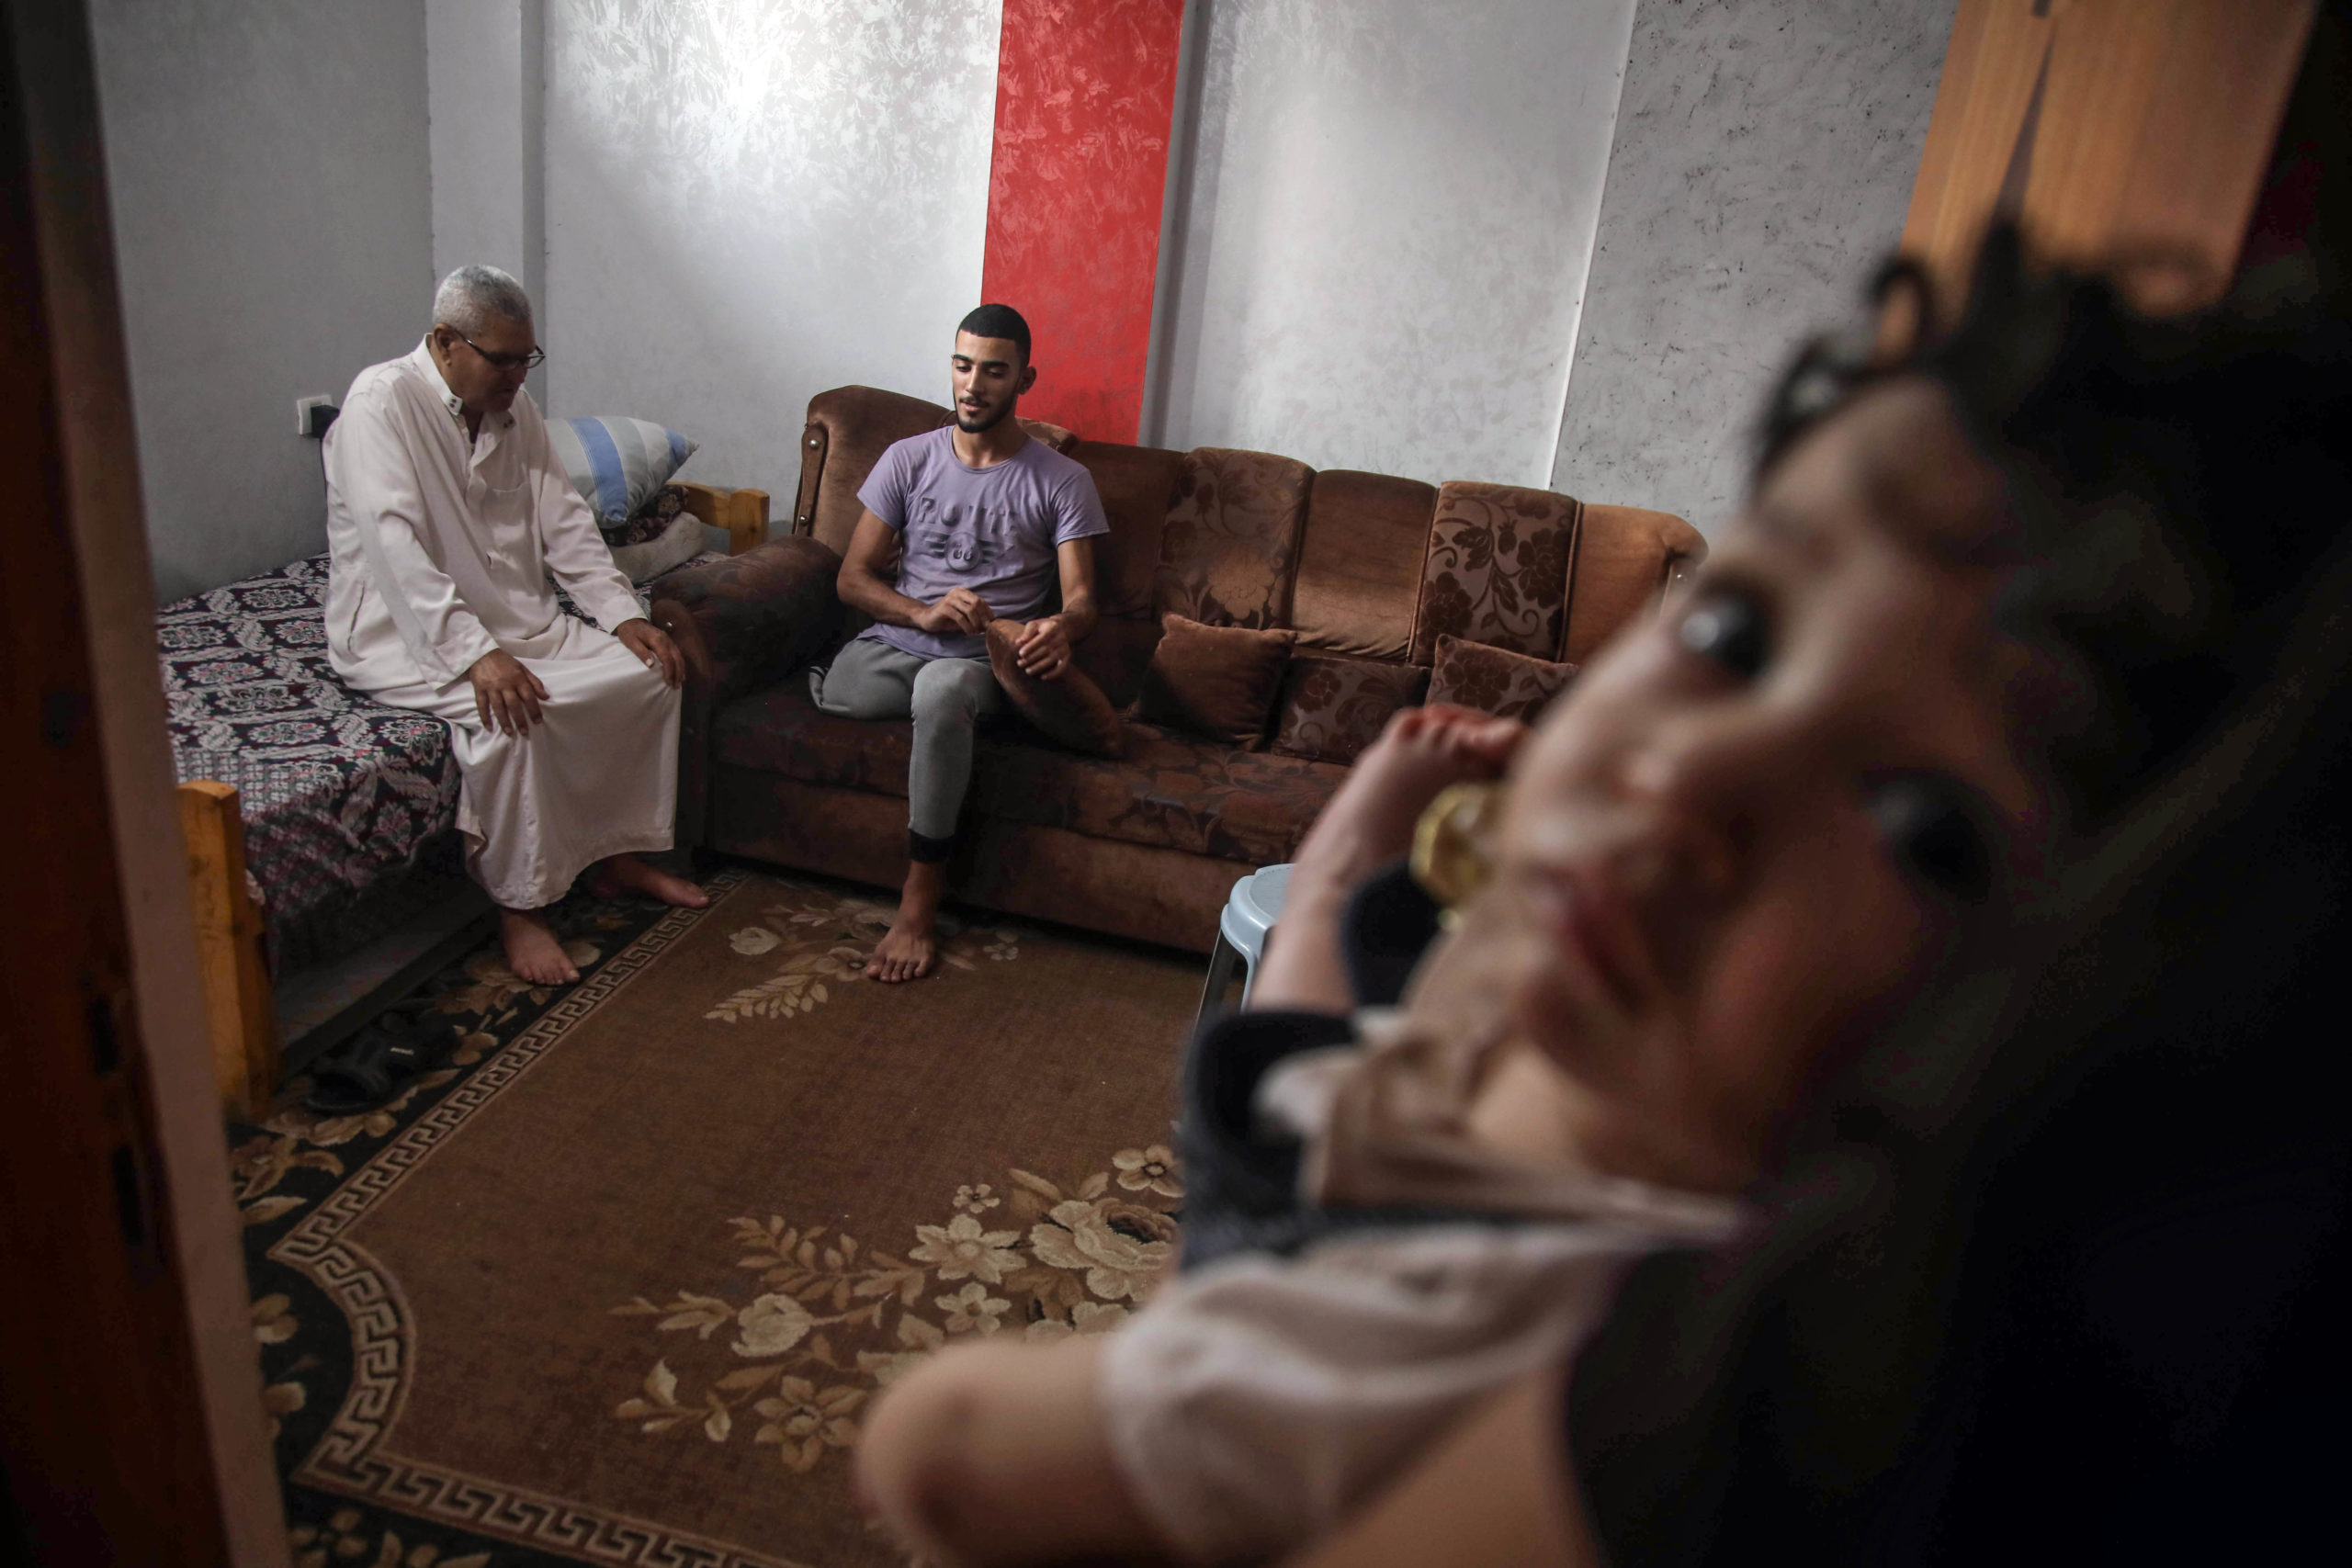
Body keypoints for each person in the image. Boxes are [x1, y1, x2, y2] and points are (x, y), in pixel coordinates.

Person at [851, 234, 2087, 1565]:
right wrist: (1345, 889)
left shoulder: (1645, 1383)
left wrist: (1263, 1226)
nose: (1684, 776)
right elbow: (1342, 1101)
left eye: (1918, 825)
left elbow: (945, 1447)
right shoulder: (1466, 1090)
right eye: (1737, 638)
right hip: (909, 651)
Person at [323, 265, 707, 987]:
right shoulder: (380, 404)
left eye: (526, 358)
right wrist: (474, 654)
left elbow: (565, 520)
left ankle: (613, 856)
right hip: (402, 633)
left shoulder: (514, 407)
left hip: (519, 618)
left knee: (652, 675)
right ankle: (520, 906)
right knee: (518, 715)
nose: (517, 376)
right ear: (445, 342)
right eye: (501, 359)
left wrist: (622, 615)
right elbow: (393, 545)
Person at [818, 303, 1108, 982]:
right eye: (962, 365)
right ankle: (954, 726)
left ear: (1024, 380)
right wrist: (921, 614)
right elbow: (851, 578)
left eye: (994, 371)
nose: (973, 385)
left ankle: (918, 902)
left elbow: (1083, 601)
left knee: (942, 689)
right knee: (841, 692)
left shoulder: (1063, 480)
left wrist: (1060, 628)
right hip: (904, 641)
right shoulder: (907, 458)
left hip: (986, 660)